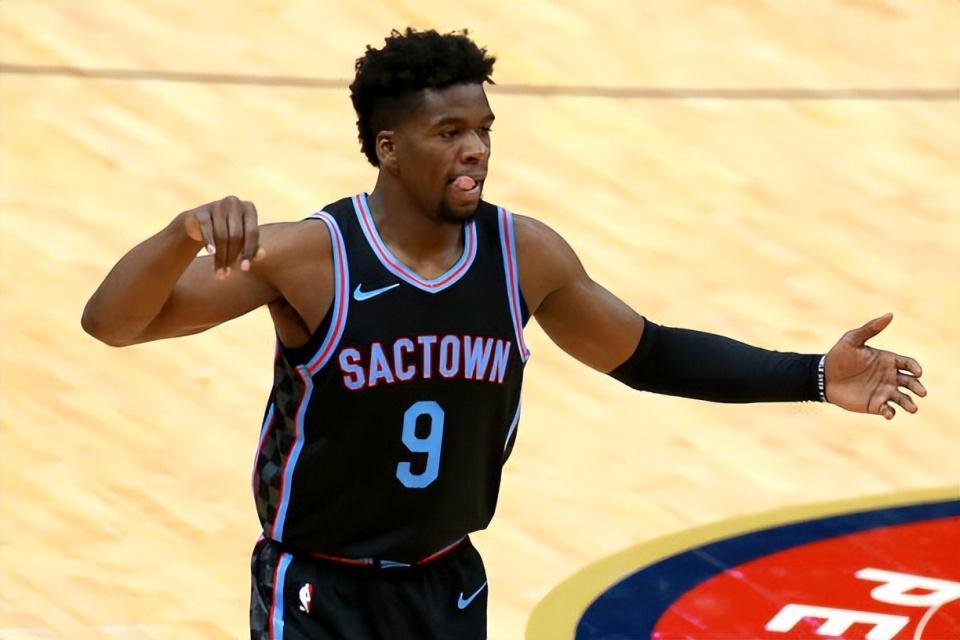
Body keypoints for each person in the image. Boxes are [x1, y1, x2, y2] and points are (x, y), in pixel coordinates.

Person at [81, 27, 926, 640]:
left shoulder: (523, 255)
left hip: (446, 580)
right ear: (388, 149)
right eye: (450, 133)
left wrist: (813, 376)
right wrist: (180, 236)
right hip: (319, 591)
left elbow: (648, 353)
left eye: (483, 130)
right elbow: (113, 324)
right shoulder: (311, 257)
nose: (476, 149)